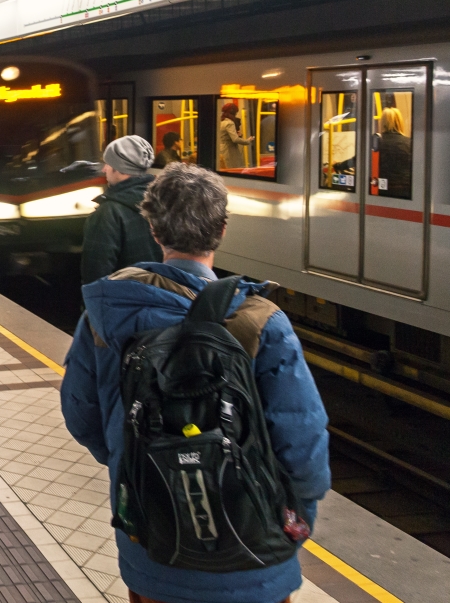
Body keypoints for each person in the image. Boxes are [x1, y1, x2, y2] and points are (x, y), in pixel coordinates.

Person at [60, 163, 330, 603]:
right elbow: (303, 441)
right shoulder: (261, 322)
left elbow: (81, 416)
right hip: (257, 553)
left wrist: (131, 461)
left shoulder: (107, 314)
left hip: (154, 544)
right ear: (222, 229)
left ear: (152, 228)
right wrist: (297, 513)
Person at [81, 136, 163, 284]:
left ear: (120, 168)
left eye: (108, 163)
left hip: (124, 301)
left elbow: (96, 275)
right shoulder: (165, 201)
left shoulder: (108, 214)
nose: (104, 169)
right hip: (163, 298)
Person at [376, 106, 412, 198]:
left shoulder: (376, 142)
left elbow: (358, 159)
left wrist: (337, 166)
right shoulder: (410, 143)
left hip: (382, 191)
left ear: (383, 123)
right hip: (406, 193)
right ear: (400, 123)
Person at [218, 102, 254, 169]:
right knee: (233, 169)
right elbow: (235, 139)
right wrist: (247, 141)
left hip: (221, 149)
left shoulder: (221, 122)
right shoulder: (230, 123)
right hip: (230, 151)